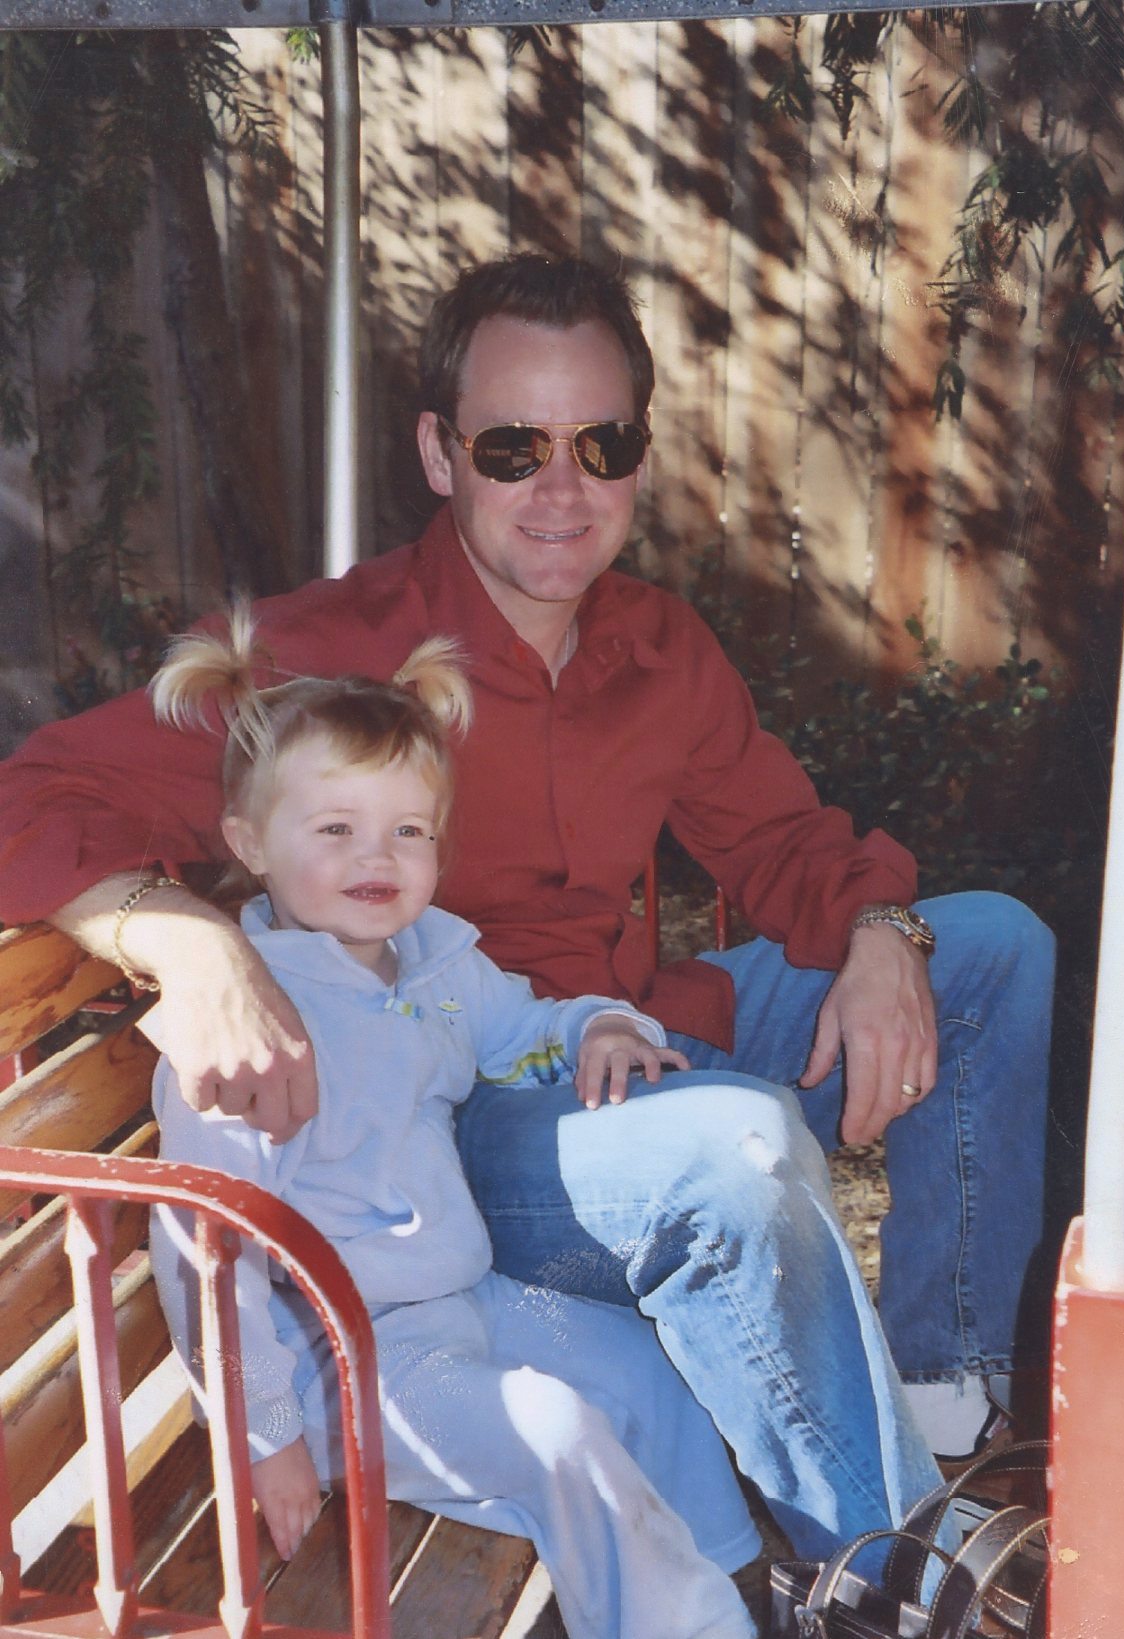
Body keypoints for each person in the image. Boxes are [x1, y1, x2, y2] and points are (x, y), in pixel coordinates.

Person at [0, 253, 1052, 1554]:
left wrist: (884, 932)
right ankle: (879, 1564)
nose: (562, 488)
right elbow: (32, 794)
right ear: (438, 454)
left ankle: (941, 1398)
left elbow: (783, 841)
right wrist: (192, 942)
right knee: (733, 1148)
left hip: (627, 1031)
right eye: (513, 447)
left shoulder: (658, 646)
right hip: (464, 1117)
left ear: (637, 457)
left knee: (990, 947)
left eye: (600, 443)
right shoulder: (325, 665)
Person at [146, 617, 766, 1639]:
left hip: (461, 1299)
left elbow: (525, 1026)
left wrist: (602, 1024)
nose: (376, 856)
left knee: (648, 1370)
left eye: (409, 830)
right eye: (334, 829)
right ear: (250, 843)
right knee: (556, 1428)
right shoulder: (248, 1026)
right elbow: (204, 1253)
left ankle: (734, 1592)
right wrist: (265, 1437)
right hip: (339, 1362)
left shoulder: (434, 965)